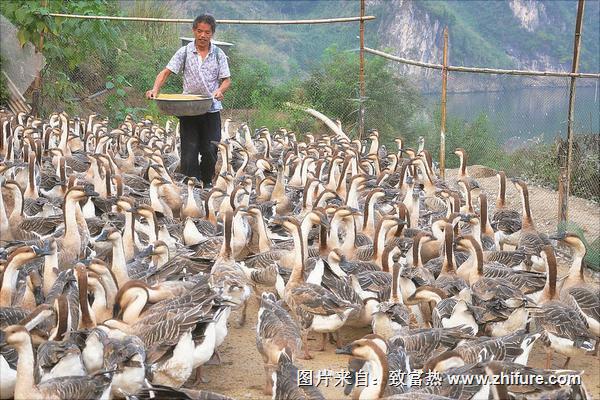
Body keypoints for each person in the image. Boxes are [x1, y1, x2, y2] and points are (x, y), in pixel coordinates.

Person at [146, 14, 231, 188]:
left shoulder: (218, 54)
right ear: (194, 31)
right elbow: (166, 72)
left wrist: (220, 90)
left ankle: (206, 181)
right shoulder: (184, 52)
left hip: (211, 108)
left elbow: (227, 80)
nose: (203, 35)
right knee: (189, 151)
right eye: (199, 31)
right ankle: (191, 185)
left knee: (210, 150)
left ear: (212, 34)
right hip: (189, 109)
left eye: (207, 32)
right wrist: (155, 89)